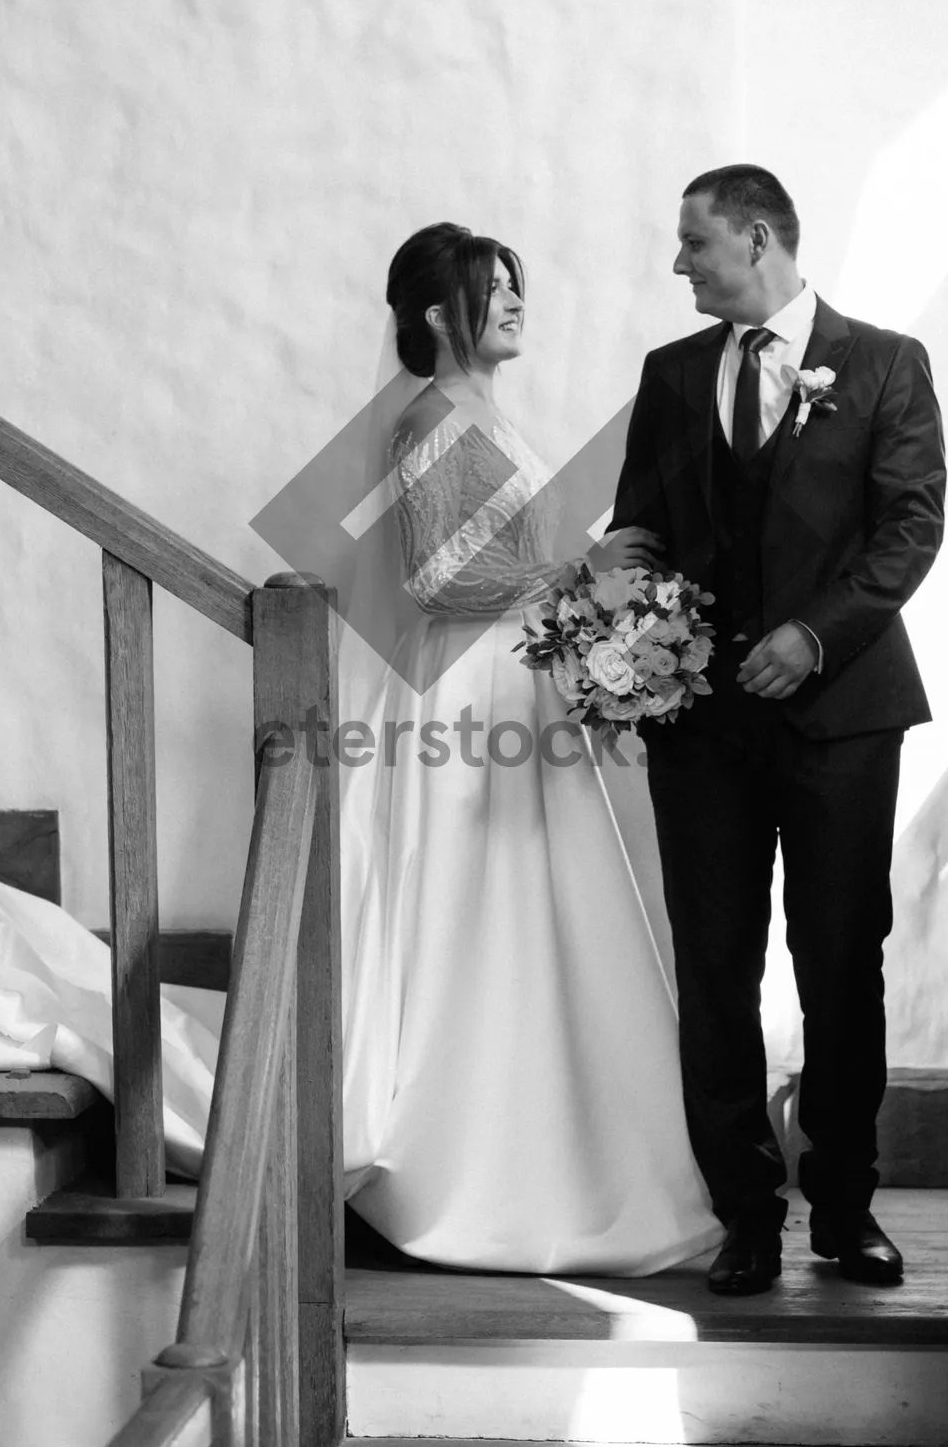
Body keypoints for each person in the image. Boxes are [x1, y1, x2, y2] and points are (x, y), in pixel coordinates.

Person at [337, 221, 723, 1274]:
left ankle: (566, 1154)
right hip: (467, 697)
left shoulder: (481, 411)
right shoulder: (426, 420)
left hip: (517, 682)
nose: (513, 301)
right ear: (434, 315)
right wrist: (579, 570)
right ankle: (469, 1165)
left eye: (515, 286)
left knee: (547, 908)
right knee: (483, 912)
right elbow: (431, 582)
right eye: (490, 288)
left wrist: (588, 592)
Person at [611, 165, 946, 1295]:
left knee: (841, 964)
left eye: (692, 243)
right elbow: (642, 529)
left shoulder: (887, 362)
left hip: (844, 718)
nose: (678, 266)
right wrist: (622, 634)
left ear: (757, 239)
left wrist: (813, 634)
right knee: (714, 968)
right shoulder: (669, 376)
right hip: (700, 727)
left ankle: (845, 1210)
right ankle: (744, 1213)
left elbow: (910, 527)